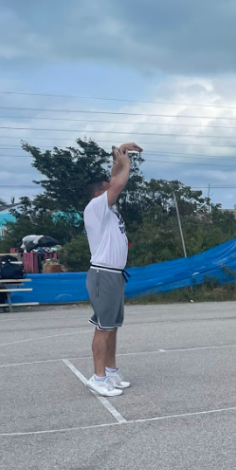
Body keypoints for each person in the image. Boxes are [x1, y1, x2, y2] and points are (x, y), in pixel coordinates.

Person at [82, 142, 142, 397]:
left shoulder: (107, 210)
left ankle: (111, 371)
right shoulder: (95, 208)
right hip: (103, 273)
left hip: (115, 275)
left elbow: (113, 178)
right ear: (99, 195)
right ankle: (98, 377)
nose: (114, 191)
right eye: (108, 191)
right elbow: (117, 183)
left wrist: (120, 155)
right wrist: (127, 166)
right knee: (103, 327)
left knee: (112, 325)